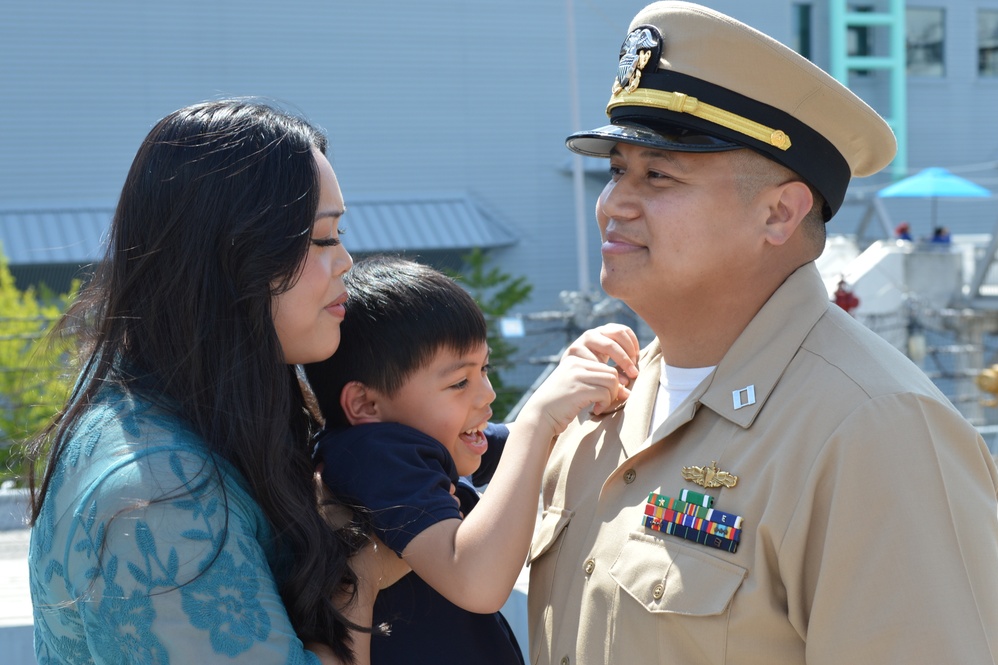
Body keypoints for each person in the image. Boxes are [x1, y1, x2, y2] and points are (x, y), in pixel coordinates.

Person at [527, 3, 998, 664]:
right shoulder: (606, 403)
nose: (615, 203)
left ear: (779, 212)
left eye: (658, 174)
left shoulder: (875, 431)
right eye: (616, 170)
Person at [25, 99, 406, 665]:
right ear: (234, 255)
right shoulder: (160, 495)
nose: (347, 260)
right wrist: (363, 577)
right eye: (323, 239)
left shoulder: (150, 418)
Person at [303, 256, 638, 665]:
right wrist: (539, 418)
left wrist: (570, 384)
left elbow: (518, 446)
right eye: (459, 381)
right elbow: (476, 582)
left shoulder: (408, 447)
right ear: (365, 403)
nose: (487, 394)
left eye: (485, 369)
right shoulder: (374, 454)